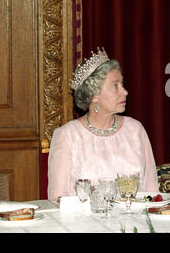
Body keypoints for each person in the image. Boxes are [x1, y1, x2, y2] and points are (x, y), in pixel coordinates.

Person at [48, 48, 158, 201]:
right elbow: (58, 199)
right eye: (115, 86)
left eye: (122, 84)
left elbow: (152, 192)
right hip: (84, 223)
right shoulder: (68, 136)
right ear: (94, 96)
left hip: (134, 223)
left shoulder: (135, 130)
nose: (125, 92)